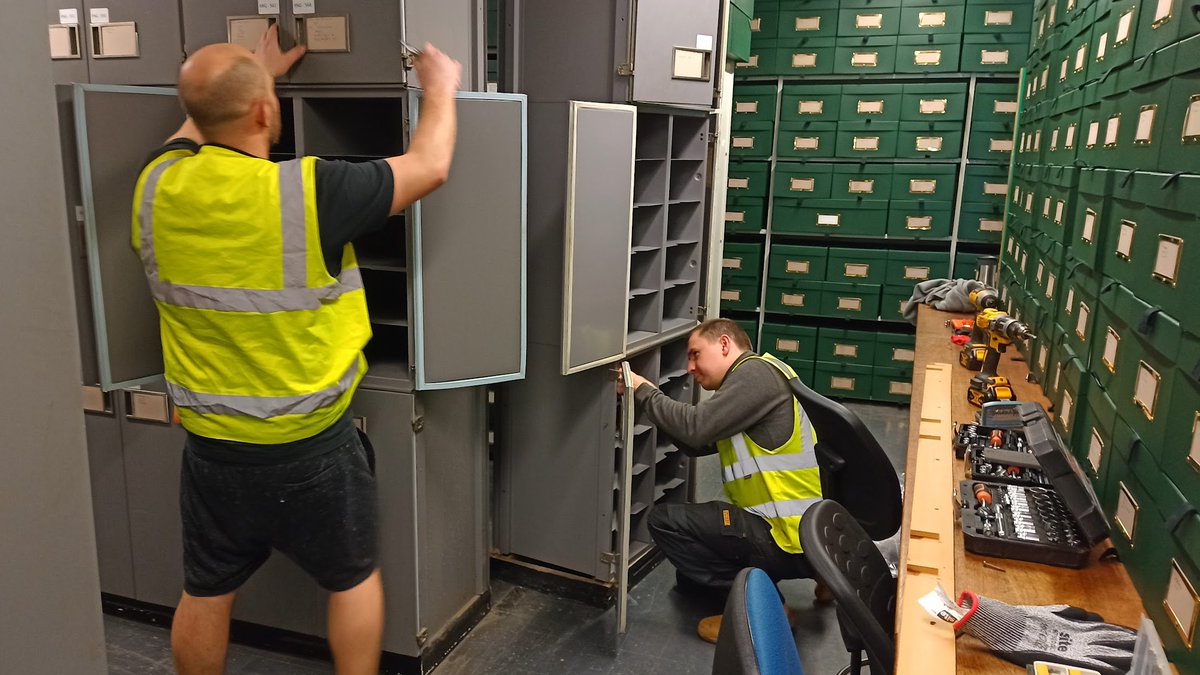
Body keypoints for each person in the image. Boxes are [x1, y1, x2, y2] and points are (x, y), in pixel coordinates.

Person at [130, 25, 461, 675]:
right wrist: (440, 90)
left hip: (214, 449)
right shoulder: (308, 192)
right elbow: (430, 167)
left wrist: (254, 78)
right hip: (311, 445)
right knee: (352, 576)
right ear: (262, 112)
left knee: (205, 587)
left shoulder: (156, 186)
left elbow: (191, 131)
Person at [623, 318, 826, 643]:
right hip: (808, 532)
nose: (690, 367)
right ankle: (821, 572)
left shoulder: (753, 375)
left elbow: (696, 428)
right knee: (689, 580)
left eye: (695, 354)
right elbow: (697, 442)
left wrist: (644, 391)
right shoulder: (767, 373)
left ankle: (765, 612)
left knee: (664, 522)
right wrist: (654, 409)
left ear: (724, 344)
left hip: (783, 537)